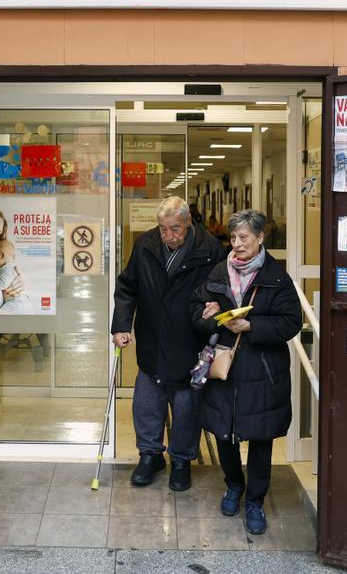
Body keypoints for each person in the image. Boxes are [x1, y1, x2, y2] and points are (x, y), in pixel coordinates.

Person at [190, 208, 300, 535]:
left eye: (244, 238)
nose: (237, 244)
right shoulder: (218, 273)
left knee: (260, 437)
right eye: (234, 237)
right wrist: (208, 314)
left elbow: (291, 322)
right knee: (224, 433)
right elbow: (196, 309)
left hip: (262, 371)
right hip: (225, 369)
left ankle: (254, 500)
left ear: (260, 238)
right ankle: (233, 485)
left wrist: (251, 325)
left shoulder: (276, 277)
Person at [111, 196, 226, 491]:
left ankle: (181, 460)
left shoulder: (209, 248)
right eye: (163, 229)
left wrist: (214, 313)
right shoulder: (146, 244)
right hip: (152, 334)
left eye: (175, 228)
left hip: (190, 338)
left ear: (188, 222)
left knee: (187, 405)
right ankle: (150, 455)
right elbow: (127, 287)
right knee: (147, 401)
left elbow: (221, 290)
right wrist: (121, 325)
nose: (168, 236)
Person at [0, 239, 33, 314]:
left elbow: (2, 284)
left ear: (2, 255)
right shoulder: (8, 268)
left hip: (16, 303)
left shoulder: (7, 268)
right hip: (21, 303)